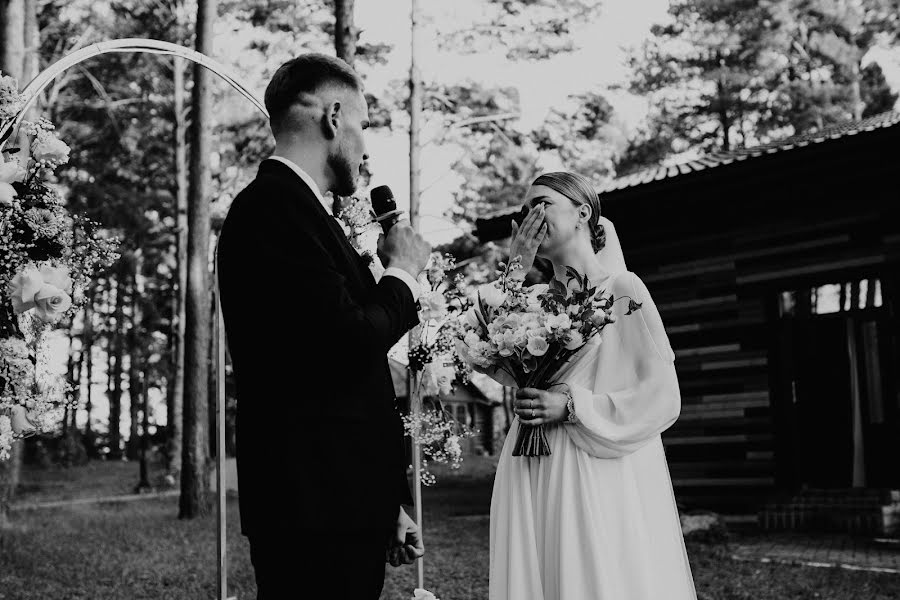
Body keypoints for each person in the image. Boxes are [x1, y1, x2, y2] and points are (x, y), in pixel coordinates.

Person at [217, 53, 430, 599]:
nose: (364, 144)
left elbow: (334, 373)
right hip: (310, 508)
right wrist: (402, 274)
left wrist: (384, 501)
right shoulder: (272, 209)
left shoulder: (304, 214)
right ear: (333, 116)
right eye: (362, 124)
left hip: (340, 501)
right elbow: (349, 342)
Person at [483, 172, 698, 600]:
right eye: (526, 211)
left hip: (585, 462)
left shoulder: (622, 289)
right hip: (528, 462)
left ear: (583, 213)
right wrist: (516, 270)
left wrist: (572, 406)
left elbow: (662, 394)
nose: (533, 217)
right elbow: (485, 350)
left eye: (543, 204)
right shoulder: (530, 299)